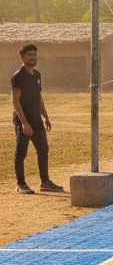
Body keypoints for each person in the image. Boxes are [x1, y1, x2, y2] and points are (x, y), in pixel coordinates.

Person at [11, 44, 63, 195]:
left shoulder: (37, 75)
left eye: (35, 55)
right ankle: (20, 184)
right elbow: (15, 101)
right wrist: (24, 123)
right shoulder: (18, 76)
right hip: (23, 120)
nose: (33, 57)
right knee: (21, 152)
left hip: (36, 119)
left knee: (43, 150)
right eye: (29, 55)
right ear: (22, 57)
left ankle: (45, 182)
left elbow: (39, 97)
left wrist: (45, 117)